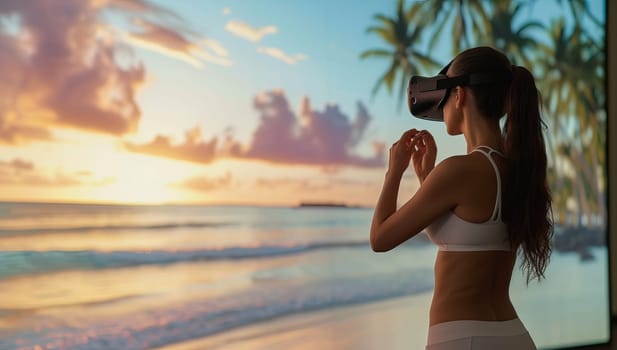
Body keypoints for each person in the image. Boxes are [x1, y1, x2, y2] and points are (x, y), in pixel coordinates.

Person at [370, 46, 553, 349]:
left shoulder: (459, 171)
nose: (441, 108)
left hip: (462, 339)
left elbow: (380, 238)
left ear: (460, 95)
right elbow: (470, 228)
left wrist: (394, 171)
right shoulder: (516, 169)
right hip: (513, 335)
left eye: (444, 97)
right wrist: (426, 175)